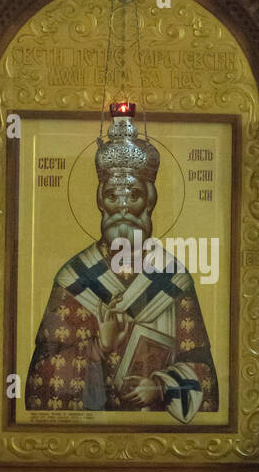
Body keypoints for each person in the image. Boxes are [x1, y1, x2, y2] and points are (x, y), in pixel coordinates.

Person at [25, 106, 218, 421]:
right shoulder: (74, 278)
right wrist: (99, 347)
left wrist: (160, 387)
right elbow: (42, 377)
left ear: (150, 200)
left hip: (153, 428)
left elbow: (204, 371)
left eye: (134, 195)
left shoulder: (173, 277)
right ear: (101, 201)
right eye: (114, 196)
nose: (124, 206)